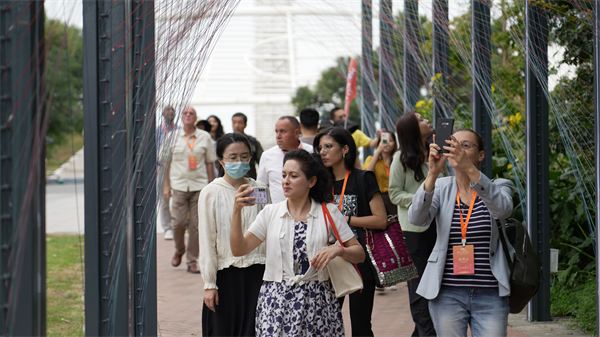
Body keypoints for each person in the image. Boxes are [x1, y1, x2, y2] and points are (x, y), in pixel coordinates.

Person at [230, 149, 365, 336]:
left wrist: (338, 251)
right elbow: (239, 249)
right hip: (275, 302)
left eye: (293, 176)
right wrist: (236, 211)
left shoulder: (329, 212)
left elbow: (359, 254)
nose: (285, 181)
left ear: (311, 181)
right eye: (284, 175)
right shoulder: (270, 213)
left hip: (318, 302)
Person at [408, 129, 515, 337]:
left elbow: (502, 210)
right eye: (454, 145)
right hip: (447, 293)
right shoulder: (440, 187)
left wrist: (469, 168)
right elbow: (416, 218)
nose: (458, 150)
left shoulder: (499, 186)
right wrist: (432, 173)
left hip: (490, 294)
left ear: (481, 154)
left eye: (466, 146)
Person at [315, 127, 388, 337]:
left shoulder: (363, 178)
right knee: (326, 324)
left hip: (360, 261)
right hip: (327, 262)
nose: (323, 152)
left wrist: (343, 219)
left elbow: (380, 220)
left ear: (345, 148)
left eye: (329, 146)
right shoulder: (318, 183)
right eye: (320, 148)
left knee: (361, 325)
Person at [198, 133, 268, 337]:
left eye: (245, 156)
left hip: (258, 273)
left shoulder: (260, 190)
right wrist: (209, 284)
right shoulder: (211, 192)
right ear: (221, 160)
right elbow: (207, 239)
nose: (240, 161)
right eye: (233, 157)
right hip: (226, 274)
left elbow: (269, 233)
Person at [388, 112, 439, 337]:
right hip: (413, 232)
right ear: (411, 129)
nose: (426, 120)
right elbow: (394, 194)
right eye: (420, 119)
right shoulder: (401, 158)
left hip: (439, 228)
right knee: (420, 290)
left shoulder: (435, 152)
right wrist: (421, 199)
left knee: (438, 287)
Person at [162, 106, 216, 274]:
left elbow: (209, 163)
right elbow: (165, 162)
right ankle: (179, 249)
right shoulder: (172, 136)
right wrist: (165, 186)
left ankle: (192, 261)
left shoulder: (204, 137)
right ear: (181, 117)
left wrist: (211, 185)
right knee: (177, 223)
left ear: (195, 117)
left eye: (191, 113)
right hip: (178, 186)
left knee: (196, 226)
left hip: (199, 187)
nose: (188, 115)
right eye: (185, 113)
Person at [257, 116, 313, 203]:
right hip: (276, 214)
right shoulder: (267, 156)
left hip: (306, 212)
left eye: (283, 131)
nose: (278, 136)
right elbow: (261, 187)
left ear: (296, 133)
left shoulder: (311, 152)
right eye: (276, 131)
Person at [362, 131, 398, 215]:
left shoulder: (398, 159)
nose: (387, 143)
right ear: (379, 143)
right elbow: (367, 174)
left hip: (396, 197)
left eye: (391, 140)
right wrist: (378, 151)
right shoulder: (371, 159)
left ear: (395, 143)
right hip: (380, 198)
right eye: (384, 141)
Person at [157, 105, 177, 240]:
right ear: (163, 114)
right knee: (164, 197)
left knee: (179, 195)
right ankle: (167, 227)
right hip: (162, 166)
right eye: (167, 110)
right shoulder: (158, 130)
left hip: (177, 167)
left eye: (172, 110)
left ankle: (178, 225)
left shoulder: (179, 130)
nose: (170, 112)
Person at [232, 112, 264, 179]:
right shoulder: (227, 142)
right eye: (234, 122)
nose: (236, 125)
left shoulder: (253, 142)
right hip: (231, 180)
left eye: (240, 123)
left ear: (245, 125)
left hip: (250, 180)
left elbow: (262, 162)